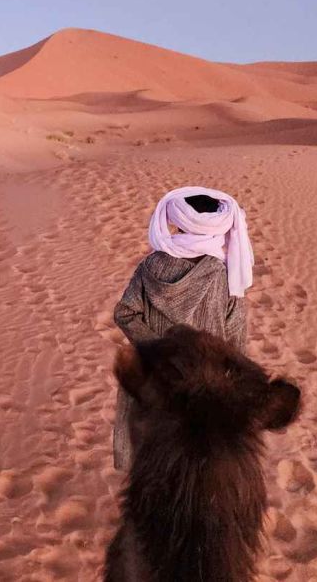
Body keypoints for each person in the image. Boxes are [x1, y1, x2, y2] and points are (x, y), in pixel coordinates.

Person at [112, 186, 255, 470]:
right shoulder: (226, 276)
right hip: (204, 383)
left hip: (153, 377)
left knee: (149, 460)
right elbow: (236, 341)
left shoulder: (151, 265)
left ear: (178, 222)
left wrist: (157, 349)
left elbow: (124, 313)